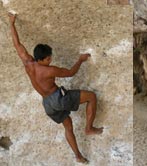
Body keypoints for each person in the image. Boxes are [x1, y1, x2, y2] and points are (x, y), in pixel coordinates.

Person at [8, 13, 103, 164]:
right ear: (41, 59)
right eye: (48, 58)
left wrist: (12, 23)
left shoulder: (28, 63)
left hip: (47, 104)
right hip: (58, 98)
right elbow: (71, 72)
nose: (50, 59)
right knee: (91, 96)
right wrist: (80, 60)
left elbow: (17, 45)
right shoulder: (49, 70)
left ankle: (78, 156)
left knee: (68, 126)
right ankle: (89, 128)